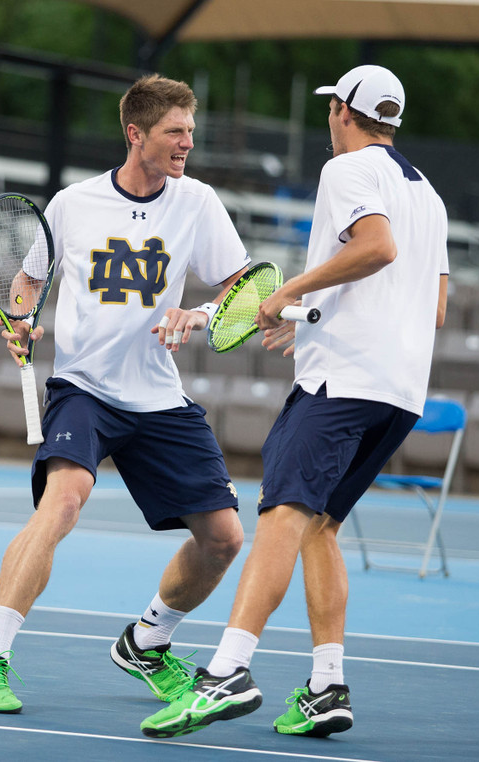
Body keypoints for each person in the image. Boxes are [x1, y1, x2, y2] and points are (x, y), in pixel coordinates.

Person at [140, 64, 450, 739]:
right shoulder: (427, 194)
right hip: (400, 392)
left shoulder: (346, 171)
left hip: (342, 384)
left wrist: (286, 294)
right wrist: (309, 315)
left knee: (282, 517)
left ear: (342, 109)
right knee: (321, 529)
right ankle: (325, 687)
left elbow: (376, 248)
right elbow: (433, 307)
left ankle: (226, 671)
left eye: (331, 107)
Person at [0, 74, 251, 714]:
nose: (187, 144)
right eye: (176, 132)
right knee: (62, 502)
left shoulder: (197, 203)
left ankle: (147, 641)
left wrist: (196, 316)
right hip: (84, 388)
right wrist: (22, 320)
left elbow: (243, 290)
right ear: (135, 133)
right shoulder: (71, 204)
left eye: (191, 132)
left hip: (159, 396)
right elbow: (28, 284)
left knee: (225, 537)